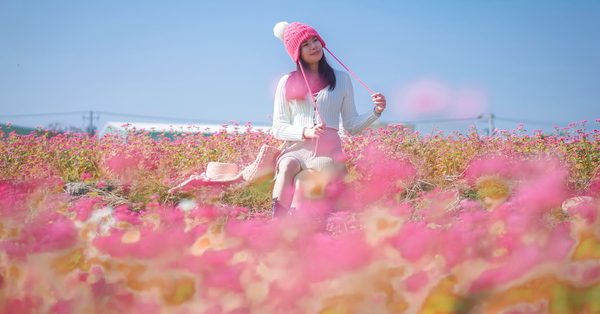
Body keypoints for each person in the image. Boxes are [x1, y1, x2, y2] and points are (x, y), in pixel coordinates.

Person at [271, 21, 386, 217]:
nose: (313, 46)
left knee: (302, 182)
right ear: (296, 52)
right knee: (288, 164)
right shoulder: (286, 82)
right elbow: (278, 127)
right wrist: (305, 132)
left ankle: (294, 229)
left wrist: (376, 110)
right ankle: (276, 224)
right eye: (305, 44)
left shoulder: (342, 79)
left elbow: (351, 125)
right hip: (296, 148)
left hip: (327, 152)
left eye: (315, 40)